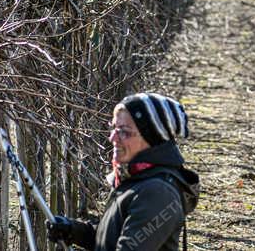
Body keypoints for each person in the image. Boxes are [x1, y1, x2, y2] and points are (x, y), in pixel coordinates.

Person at [47, 93, 199, 250]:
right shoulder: (136, 178)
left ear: (151, 138)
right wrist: (74, 231)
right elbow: (111, 238)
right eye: (114, 128)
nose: (113, 137)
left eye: (124, 132)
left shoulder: (156, 193)